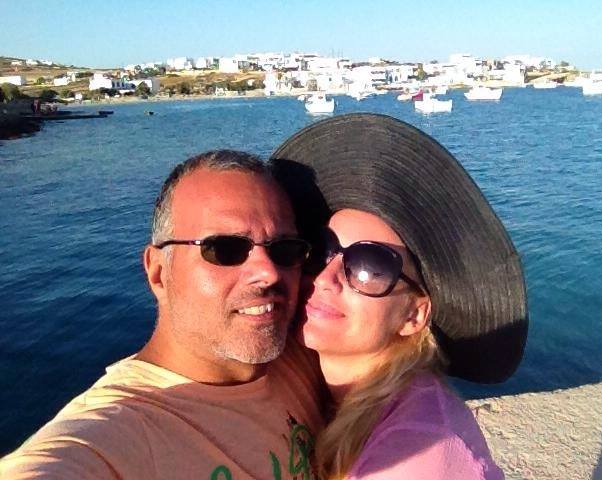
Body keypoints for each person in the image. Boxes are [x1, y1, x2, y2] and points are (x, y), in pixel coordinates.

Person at [1, 150, 325, 480]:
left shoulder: (308, 355)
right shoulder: (114, 435)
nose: (268, 272)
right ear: (158, 272)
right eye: (225, 249)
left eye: (285, 249)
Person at [271, 114, 528, 479]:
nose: (326, 278)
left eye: (369, 267)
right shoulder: (362, 399)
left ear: (414, 315)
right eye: (322, 249)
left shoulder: (416, 452)